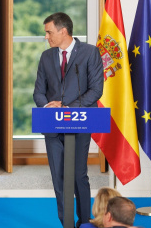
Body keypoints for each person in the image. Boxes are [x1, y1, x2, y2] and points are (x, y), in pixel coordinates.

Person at [33, 12, 104, 227]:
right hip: (52, 126)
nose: (47, 37)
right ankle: (66, 223)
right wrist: (48, 106)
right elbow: (38, 92)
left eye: (49, 32)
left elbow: (96, 90)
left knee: (78, 176)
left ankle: (84, 221)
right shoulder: (46, 57)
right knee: (58, 177)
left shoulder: (90, 53)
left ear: (63, 31)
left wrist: (66, 108)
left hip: (81, 122)